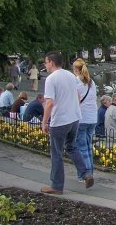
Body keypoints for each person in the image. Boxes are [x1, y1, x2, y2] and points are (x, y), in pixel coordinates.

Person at [40, 51, 94, 195]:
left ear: (51, 62)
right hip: (74, 118)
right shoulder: (70, 76)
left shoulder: (51, 79)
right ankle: (86, 173)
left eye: (45, 62)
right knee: (72, 147)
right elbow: (77, 95)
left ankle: (57, 186)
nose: (45, 65)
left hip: (60, 120)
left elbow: (49, 103)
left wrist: (44, 122)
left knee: (56, 153)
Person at [72, 58, 98, 182]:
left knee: (81, 148)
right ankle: (90, 172)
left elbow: (75, 101)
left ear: (76, 70)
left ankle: (85, 175)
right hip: (93, 118)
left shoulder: (76, 82)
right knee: (88, 146)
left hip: (82, 118)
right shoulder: (91, 82)